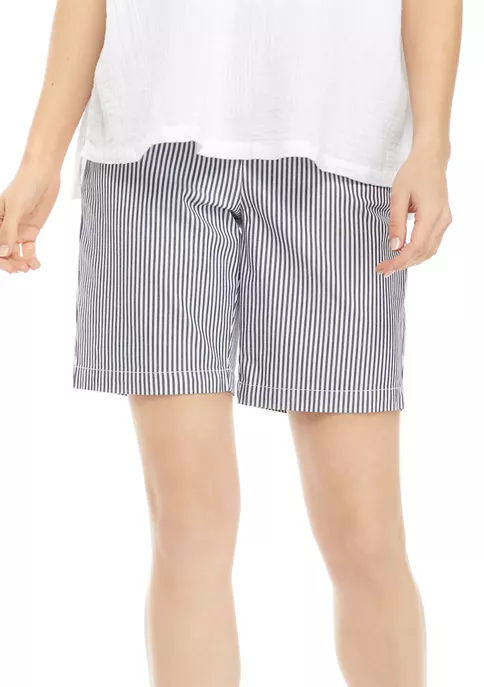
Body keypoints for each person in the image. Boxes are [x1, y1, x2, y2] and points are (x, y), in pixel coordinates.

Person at [0, 0, 462, 685]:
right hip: (154, 151)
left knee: (364, 531)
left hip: (340, 143)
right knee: (187, 523)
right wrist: (41, 154)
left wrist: (433, 143)